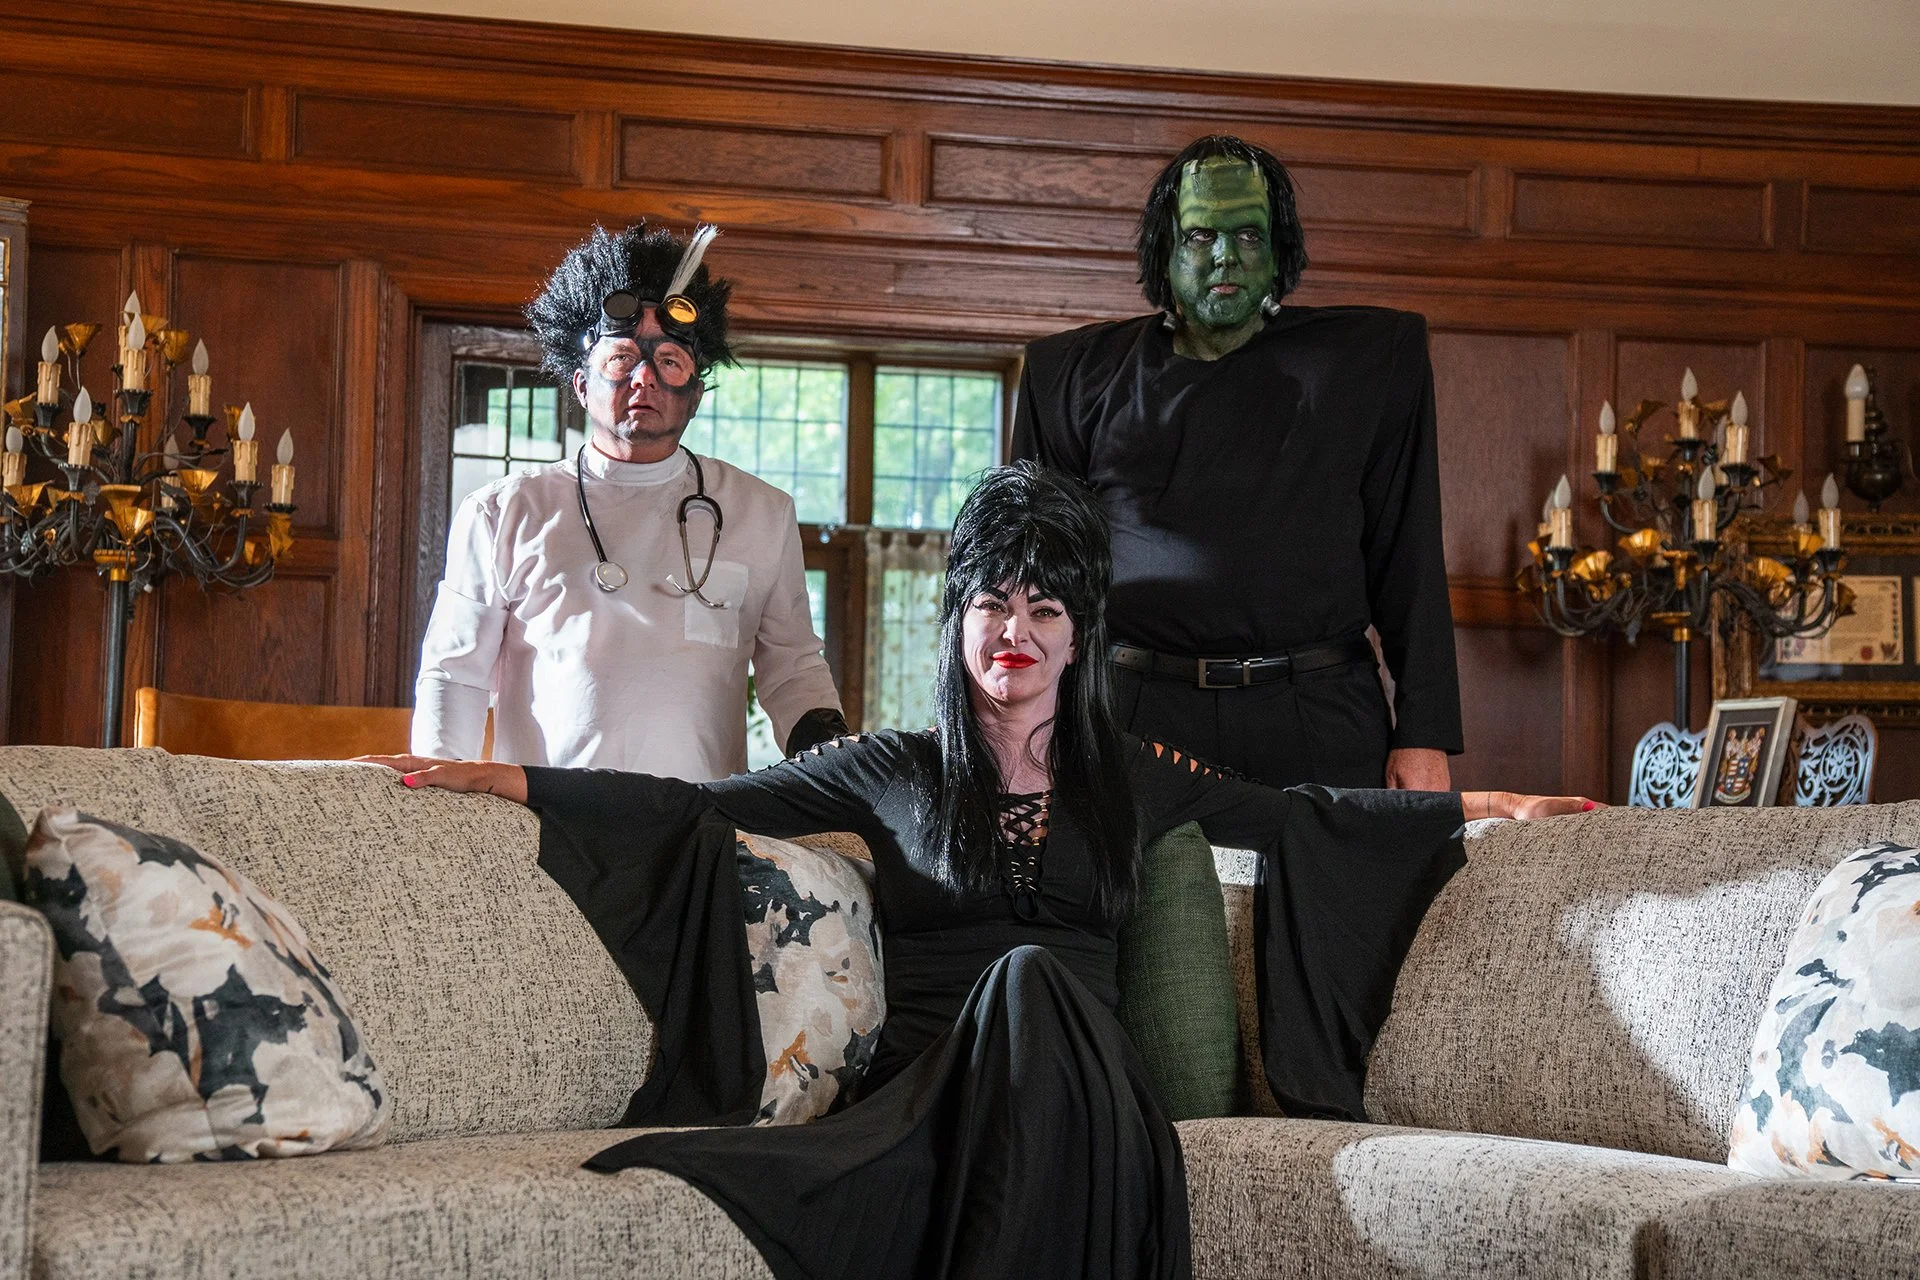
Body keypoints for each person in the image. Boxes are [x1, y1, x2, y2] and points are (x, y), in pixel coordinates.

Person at [365, 464, 1594, 1280]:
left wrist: (1482, 807)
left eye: (1046, 609)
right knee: (1014, 982)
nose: (1017, 630)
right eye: (993, 603)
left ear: (1079, 635)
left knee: (1036, 982)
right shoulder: (888, 767)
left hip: (1092, 1094)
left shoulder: (1134, 774)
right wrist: (516, 779)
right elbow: (692, 807)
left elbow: (1302, 819)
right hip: (928, 1094)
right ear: (955, 621)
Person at [1012, 134, 1459, 792]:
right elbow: (1032, 577)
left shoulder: (1370, 362)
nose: (1227, 255)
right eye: (1201, 235)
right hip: (1133, 714)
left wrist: (1424, 733)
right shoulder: (1070, 375)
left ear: (1279, 251)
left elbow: (1409, 558)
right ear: (1165, 249)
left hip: (1318, 710)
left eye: (1250, 235)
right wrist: (1021, 730)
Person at [412, 222, 846, 781]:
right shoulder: (503, 512)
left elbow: (792, 669)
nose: (645, 378)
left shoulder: (762, 513)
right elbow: (455, 675)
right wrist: (438, 806)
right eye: (621, 359)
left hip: (698, 816)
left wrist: (839, 764)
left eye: (670, 361)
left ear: (696, 394)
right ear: (581, 385)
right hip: (542, 815)